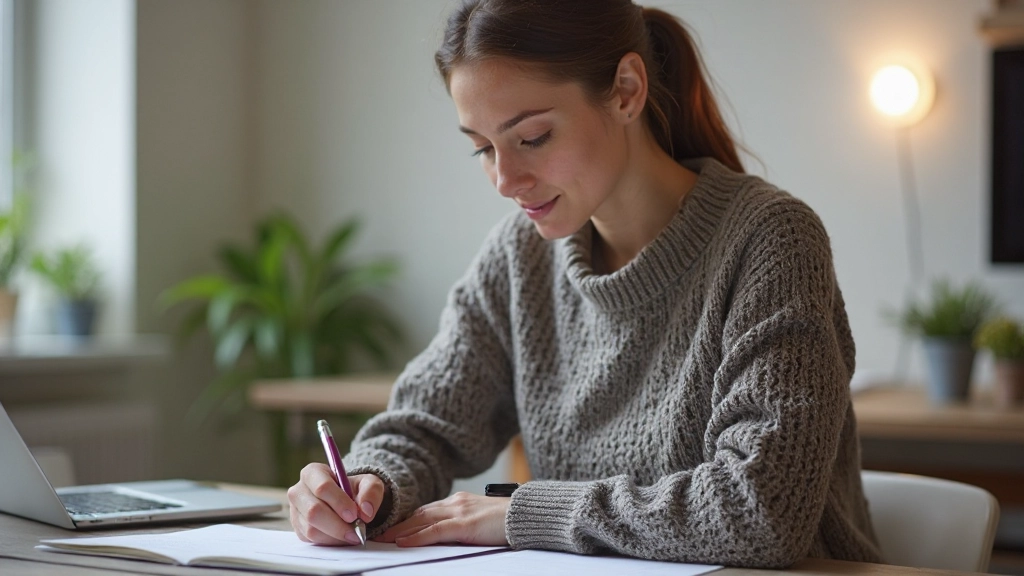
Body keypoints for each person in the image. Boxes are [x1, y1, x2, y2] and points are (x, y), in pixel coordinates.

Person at [288, 0, 882, 568]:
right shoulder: (518, 259)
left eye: (532, 138)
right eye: (482, 150)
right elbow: (422, 427)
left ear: (626, 90)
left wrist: (522, 512)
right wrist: (364, 486)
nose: (504, 179)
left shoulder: (771, 240)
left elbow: (762, 511)